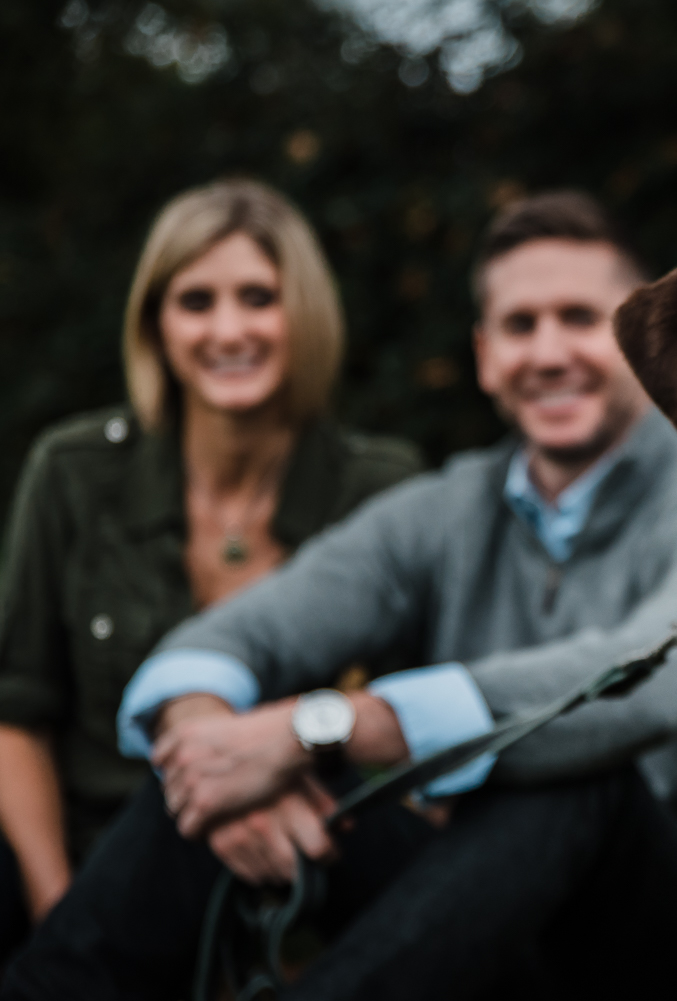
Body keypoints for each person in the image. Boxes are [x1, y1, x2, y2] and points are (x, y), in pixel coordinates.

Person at [1, 191, 677, 1001]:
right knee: (213, 768)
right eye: (519, 325)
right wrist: (206, 739)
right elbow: (232, 636)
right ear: (483, 354)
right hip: (501, 923)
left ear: (650, 342)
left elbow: (640, 683)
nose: (547, 352)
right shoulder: (444, 508)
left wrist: (323, 726)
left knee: (576, 768)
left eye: (580, 319)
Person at [0, 180, 423, 964]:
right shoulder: (73, 469)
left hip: (300, 842)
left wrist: (251, 771)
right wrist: (61, 913)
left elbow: (412, 719)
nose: (228, 329)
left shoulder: (380, 485)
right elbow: (17, 714)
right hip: (92, 848)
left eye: (258, 296)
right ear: (157, 324)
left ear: (303, 313)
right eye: (196, 301)